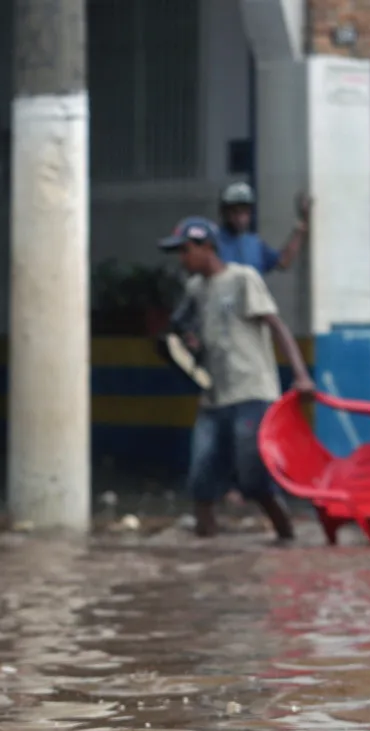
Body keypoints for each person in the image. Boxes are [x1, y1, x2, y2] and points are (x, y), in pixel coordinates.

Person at [158, 217, 316, 540]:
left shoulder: (243, 279)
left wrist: (301, 375)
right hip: (214, 396)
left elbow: (277, 327)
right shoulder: (195, 290)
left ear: (207, 247)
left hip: (252, 393)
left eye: (186, 250)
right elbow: (185, 334)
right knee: (201, 480)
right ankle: (206, 552)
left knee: (253, 478)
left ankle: (286, 538)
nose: (182, 259)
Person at [214, 181, 310, 275]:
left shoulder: (254, 244)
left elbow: (284, 261)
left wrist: (302, 225)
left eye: (245, 212)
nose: (241, 218)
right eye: (235, 212)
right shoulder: (213, 242)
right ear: (224, 213)